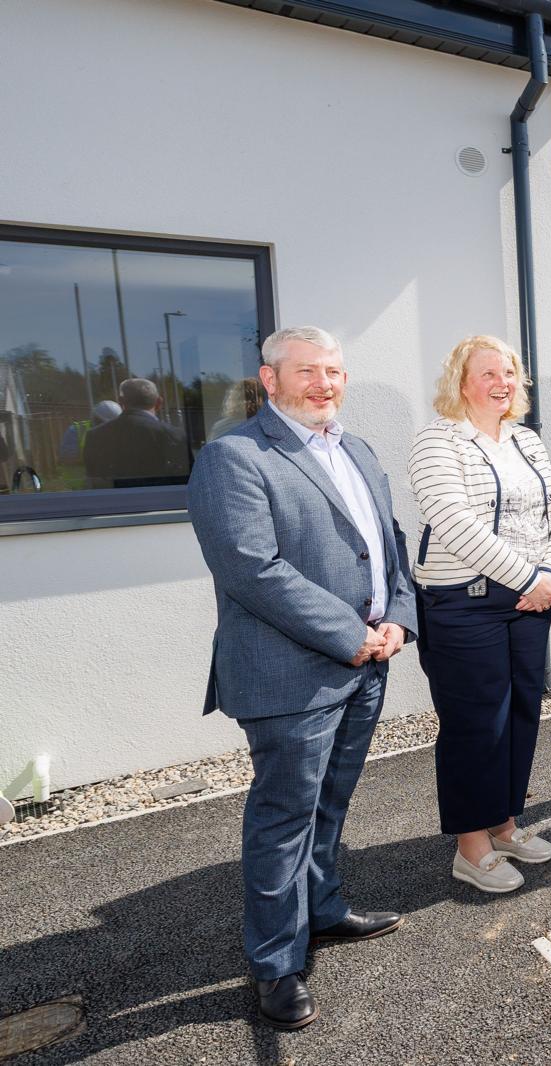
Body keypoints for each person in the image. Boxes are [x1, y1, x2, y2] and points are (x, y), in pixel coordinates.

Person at [187, 326, 417, 1030]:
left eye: (335, 371)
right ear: (270, 379)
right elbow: (252, 569)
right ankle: (276, 964)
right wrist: (350, 634)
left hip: (367, 664)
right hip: (292, 674)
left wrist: (399, 617)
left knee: (330, 805)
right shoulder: (235, 458)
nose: (324, 383)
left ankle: (322, 909)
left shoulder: (358, 451)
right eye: (308, 371)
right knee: (284, 819)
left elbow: (390, 544)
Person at [409, 335, 551, 893]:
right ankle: (470, 844)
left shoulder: (527, 440)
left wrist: (550, 576)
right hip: (465, 604)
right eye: (488, 373)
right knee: (476, 724)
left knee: (522, 714)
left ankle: (504, 823)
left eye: (509, 372)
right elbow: (452, 521)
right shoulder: (437, 442)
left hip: (531, 601)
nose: (502, 382)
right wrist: (529, 578)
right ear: (461, 382)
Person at [83, 378, 189, 487]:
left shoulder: (95, 435)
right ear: (159, 402)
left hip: (113, 502)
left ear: (121, 402)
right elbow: (188, 481)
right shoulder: (174, 435)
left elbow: (95, 481)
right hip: (162, 502)